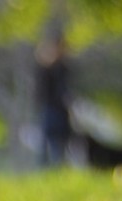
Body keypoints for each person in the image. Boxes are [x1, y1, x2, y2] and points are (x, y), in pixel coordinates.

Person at [35, 29, 74, 166]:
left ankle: (58, 166)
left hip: (60, 110)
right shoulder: (46, 69)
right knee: (49, 140)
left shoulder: (63, 68)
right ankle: (47, 167)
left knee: (61, 141)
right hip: (51, 109)